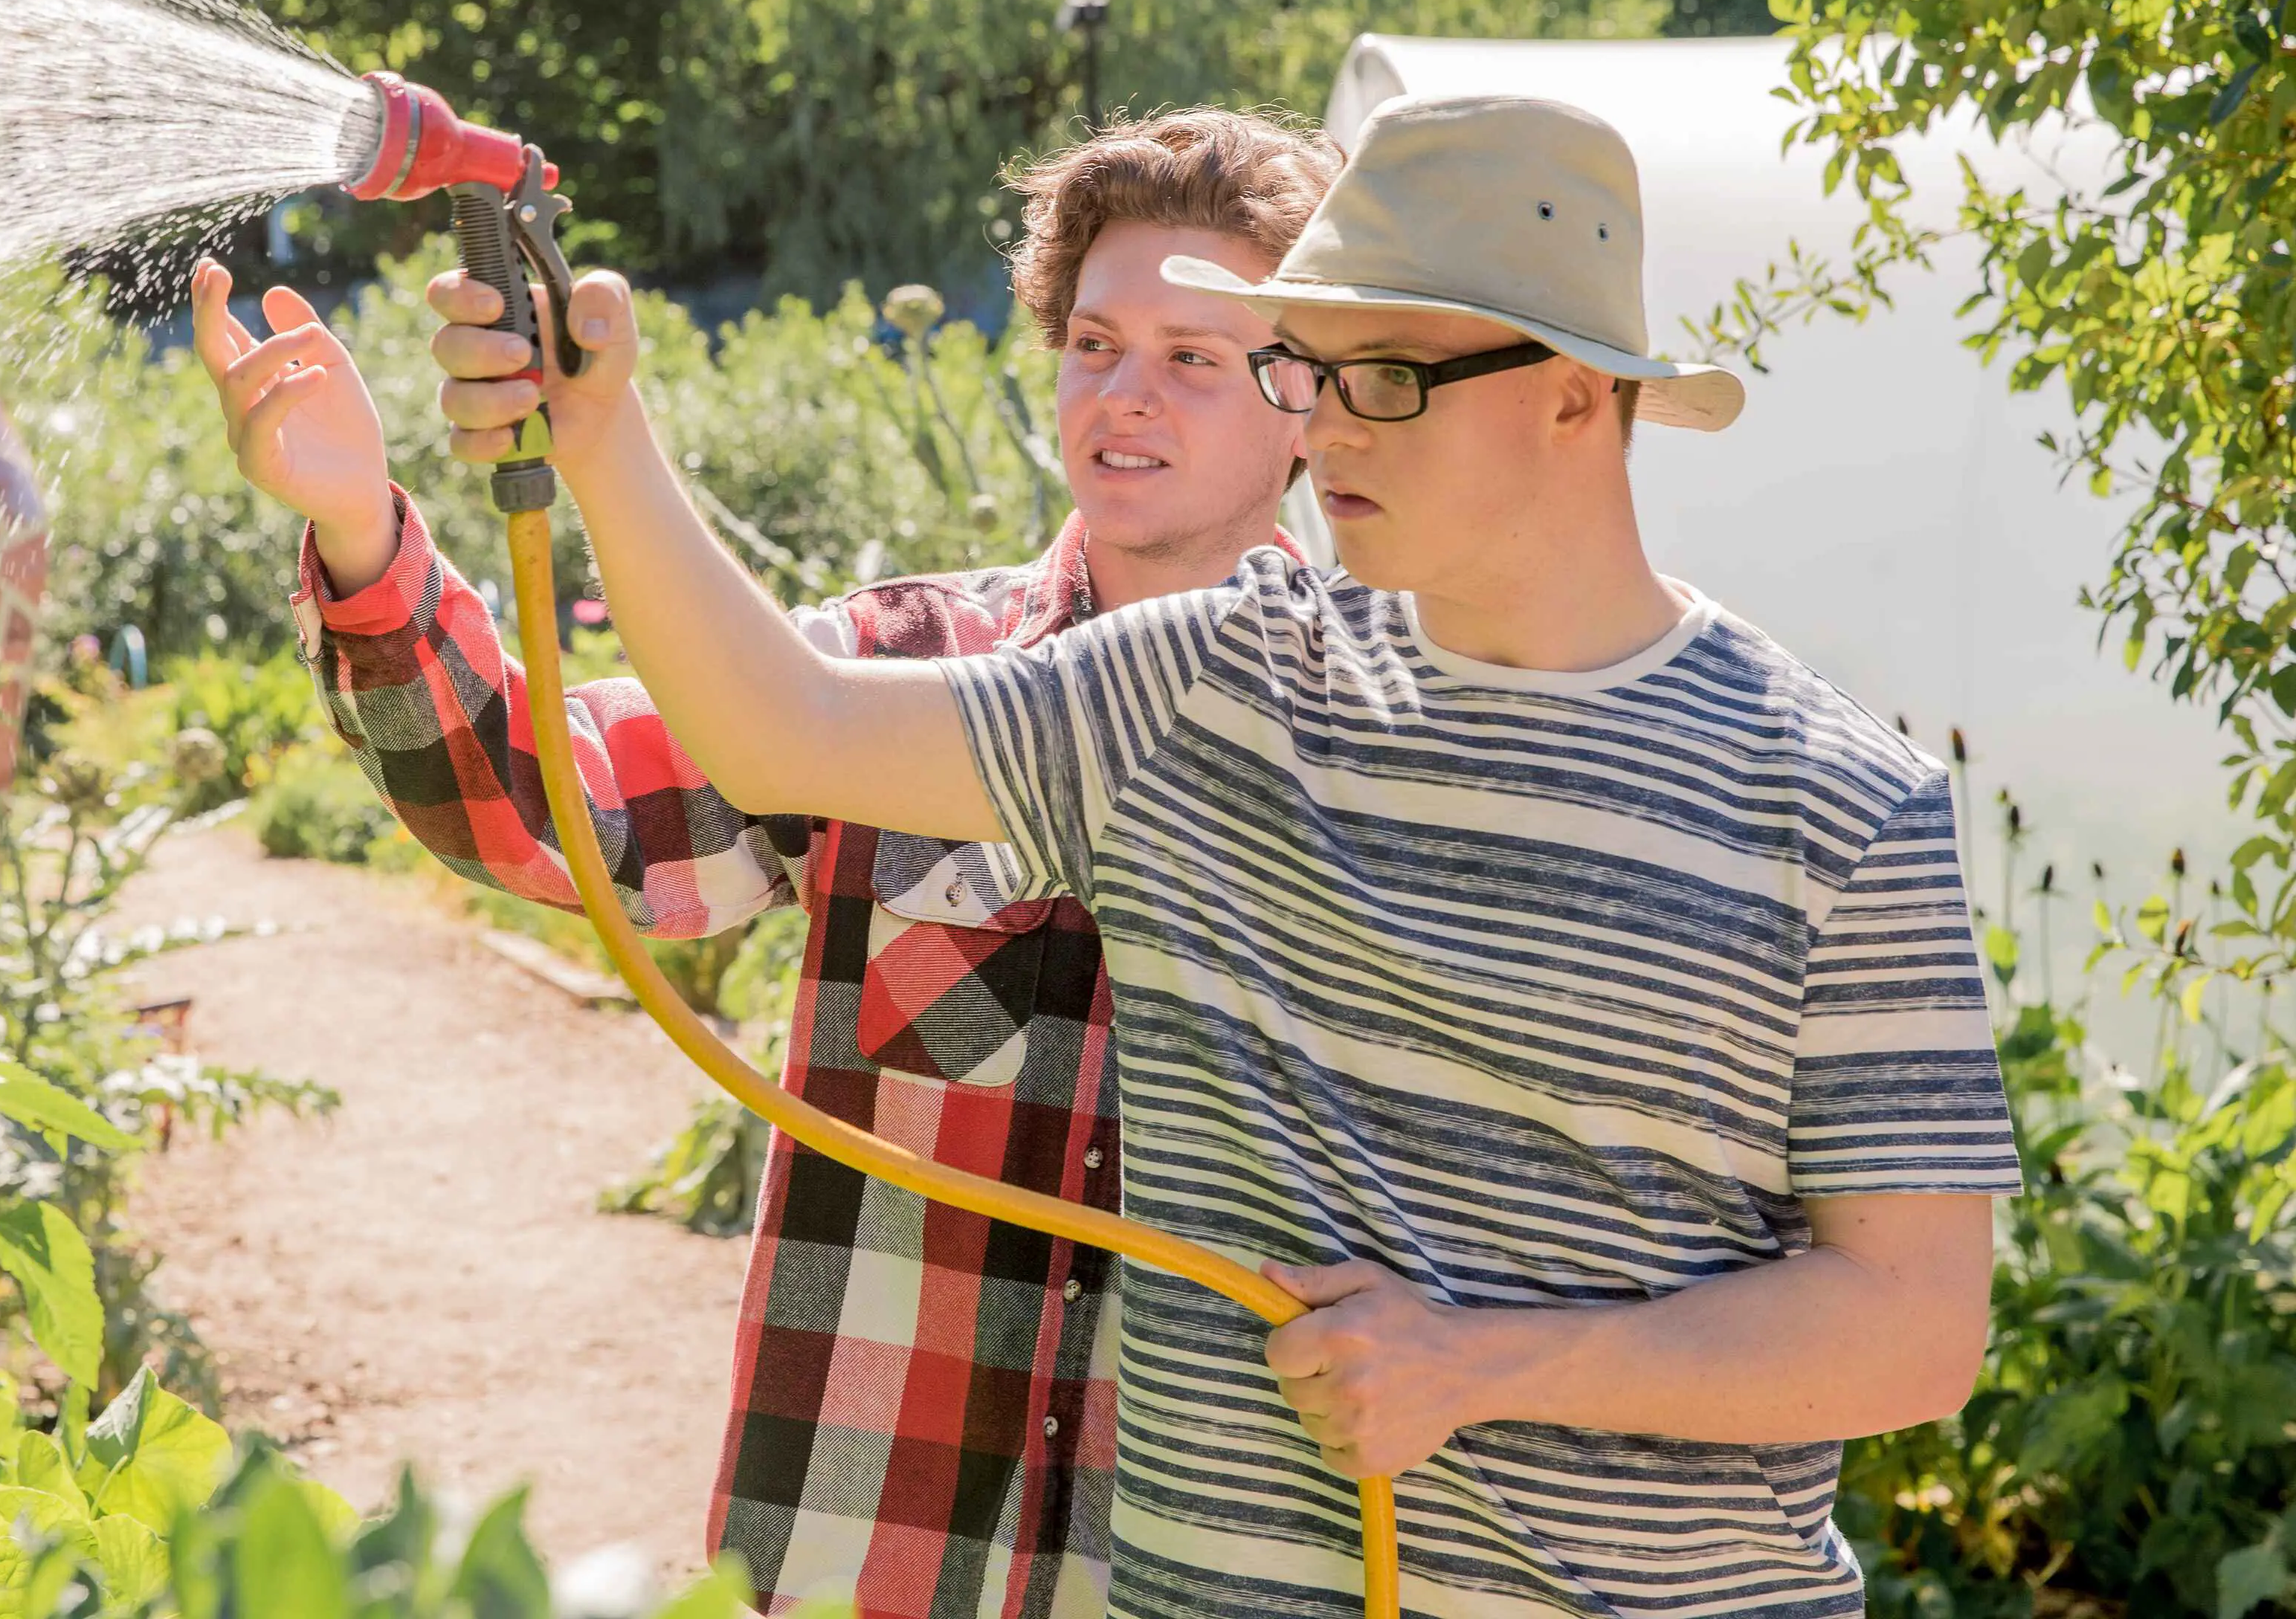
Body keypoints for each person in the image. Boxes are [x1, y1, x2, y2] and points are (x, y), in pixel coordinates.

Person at [394, 94, 2019, 1617]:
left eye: (1382, 377)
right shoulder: (1227, 684)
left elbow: (1913, 1327)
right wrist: (602, 435)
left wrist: (1489, 1362)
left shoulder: (1840, 801)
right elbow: (784, 726)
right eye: (1308, 369)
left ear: (1577, 398)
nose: (1324, 429)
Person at [191, 108, 1343, 1619]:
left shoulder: (1375, 757)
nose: (1125, 396)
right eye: (1094, 344)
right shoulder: (886, 679)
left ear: (1314, 400)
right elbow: (557, 806)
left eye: (1193, 357)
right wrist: (359, 524)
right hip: (874, 1562)